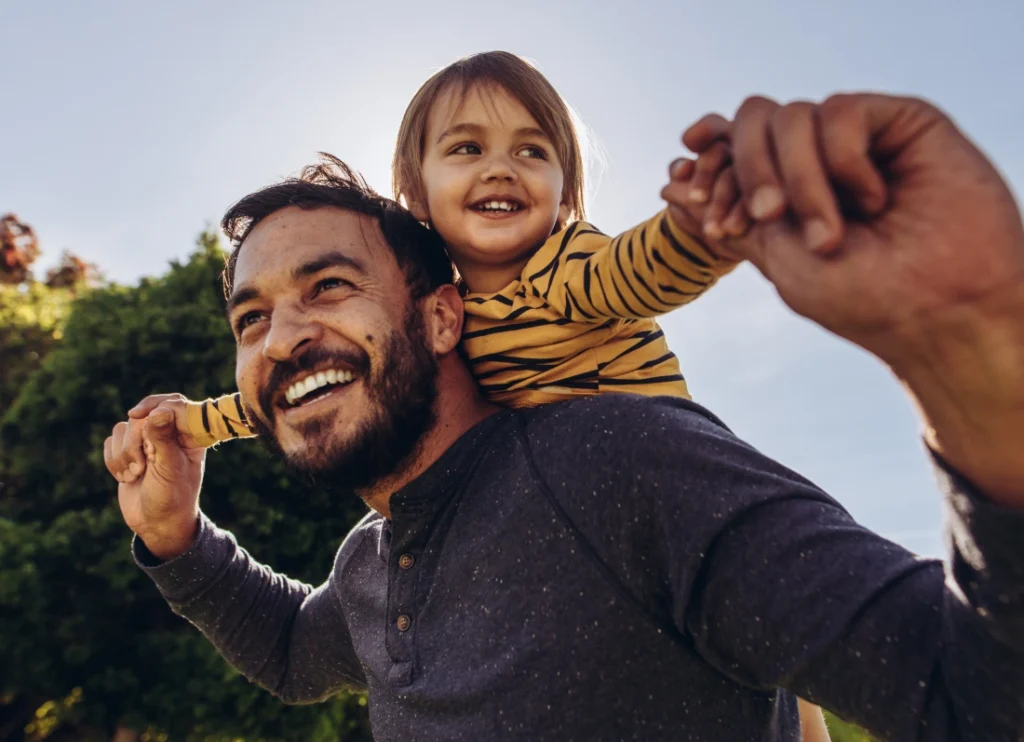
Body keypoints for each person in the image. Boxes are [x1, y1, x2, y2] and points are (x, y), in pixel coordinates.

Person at [105, 91, 1024, 740]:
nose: (282, 340)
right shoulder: (370, 565)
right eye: (251, 319)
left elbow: (976, 698)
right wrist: (178, 539)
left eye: (330, 286)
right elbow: (291, 656)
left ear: (440, 315)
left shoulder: (618, 459)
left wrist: (976, 362)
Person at [159, 51, 745, 448]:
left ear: (564, 198)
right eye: (467, 149)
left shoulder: (567, 262)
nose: (500, 169)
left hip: (674, 467)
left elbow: (638, 272)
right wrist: (192, 423)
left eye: (532, 152)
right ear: (415, 194)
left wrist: (699, 231)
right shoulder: (444, 320)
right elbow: (306, 380)